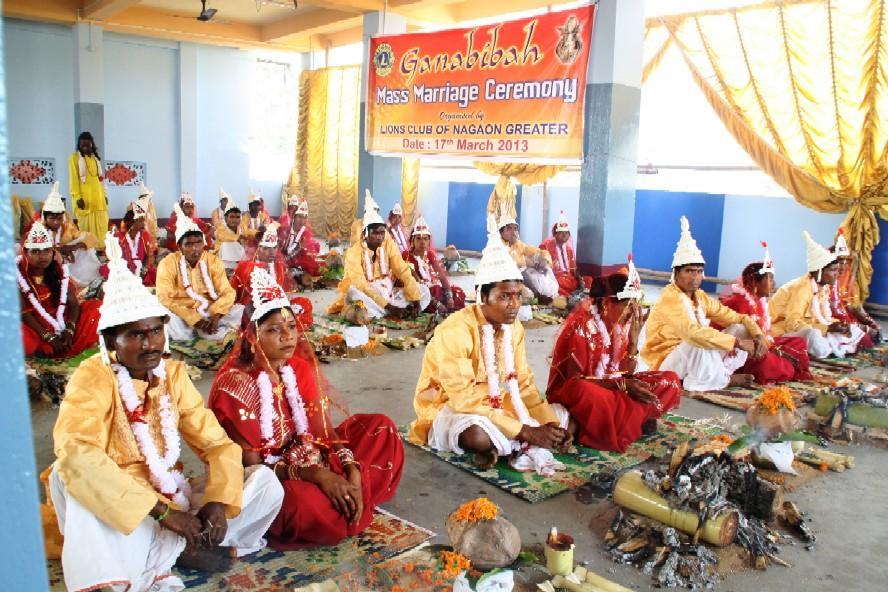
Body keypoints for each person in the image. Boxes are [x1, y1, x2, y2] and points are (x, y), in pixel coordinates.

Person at [48, 241, 283, 591]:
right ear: (111, 342)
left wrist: (218, 502)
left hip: (174, 493)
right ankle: (177, 552)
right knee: (68, 480)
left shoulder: (172, 374)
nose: (150, 344)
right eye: (135, 335)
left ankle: (176, 548)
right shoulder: (92, 376)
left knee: (265, 485)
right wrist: (162, 514)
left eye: (156, 331)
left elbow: (217, 444)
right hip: (123, 508)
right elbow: (76, 452)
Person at [209, 267, 403, 548]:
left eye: (291, 327)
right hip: (276, 478)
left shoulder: (298, 368)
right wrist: (317, 475)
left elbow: (324, 431)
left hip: (312, 452)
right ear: (252, 335)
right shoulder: (234, 386)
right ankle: (345, 501)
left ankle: (351, 494)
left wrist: (352, 469)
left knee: (381, 428)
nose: (287, 336)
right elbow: (253, 471)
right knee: (303, 507)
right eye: (274, 329)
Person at [409, 215, 572, 473]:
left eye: (518, 296)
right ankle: (499, 443)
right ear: (483, 296)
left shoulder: (513, 327)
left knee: (561, 418)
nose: (514, 305)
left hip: (497, 400)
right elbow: (463, 399)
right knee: (477, 435)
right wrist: (526, 431)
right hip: (449, 404)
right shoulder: (455, 330)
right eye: (504, 297)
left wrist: (548, 425)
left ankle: (505, 443)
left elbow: (524, 383)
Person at [547, 263, 681, 452]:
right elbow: (573, 383)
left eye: (635, 305)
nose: (633, 312)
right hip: (586, 392)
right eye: (627, 305)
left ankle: (620, 420)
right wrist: (623, 386)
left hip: (614, 390)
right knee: (584, 390)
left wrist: (633, 343)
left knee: (670, 381)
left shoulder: (619, 328)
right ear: (605, 303)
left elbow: (626, 374)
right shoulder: (581, 327)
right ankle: (631, 418)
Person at [641, 217, 767, 392]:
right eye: (689, 271)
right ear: (676, 273)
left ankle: (719, 373)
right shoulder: (669, 298)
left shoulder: (700, 296)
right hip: (666, 362)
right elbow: (693, 334)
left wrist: (758, 335)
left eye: (699, 271)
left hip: (692, 355)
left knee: (739, 327)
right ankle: (722, 378)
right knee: (700, 340)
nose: (695, 277)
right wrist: (737, 343)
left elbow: (738, 317)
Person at [717, 244, 812, 384]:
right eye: (770, 279)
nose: (774, 283)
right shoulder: (740, 302)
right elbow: (745, 338)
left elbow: (763, 334)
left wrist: (773, 348)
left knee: (797, 344)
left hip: (758, 344)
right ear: (756, 282)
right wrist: (773, 350)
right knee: (780, 366)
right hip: (733, 349)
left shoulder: (759, 301)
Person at [328, 191, 430, 319]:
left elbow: (402, 269)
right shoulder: (354, 252)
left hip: (388, 293)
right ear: (365, 233)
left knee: (424, 291)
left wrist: (415, 301)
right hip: (370, 296)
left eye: (382, 233)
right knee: (353, 293)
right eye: (375, 233)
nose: (380, 237)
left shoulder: (388, 244)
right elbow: (361, 285)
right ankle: (387, 311)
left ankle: (384, 312)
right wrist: (389, 307)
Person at [769, 231, 866, 358]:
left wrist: (838, 325)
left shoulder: (823, 287)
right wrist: (828, 329)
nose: (837, 274)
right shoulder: (802, 289)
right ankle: (835, 348)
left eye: (837, 269)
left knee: (852, 328)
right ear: (819, 271)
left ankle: (833, 348)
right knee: (813, 335)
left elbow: (822, 317)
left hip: (812, 327)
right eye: (833, 270)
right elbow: (792, 324)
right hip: (780, 330)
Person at [156, 205, 244, 341]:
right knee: (167, 319)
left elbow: (228, 292)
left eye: (198, 243)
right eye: (189, 244)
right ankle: (209, 333)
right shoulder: (168, 263)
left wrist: (216, 314)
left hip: (211, 309)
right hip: (183, 313)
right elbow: (164, 298)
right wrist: (194, 319)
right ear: (180, 247)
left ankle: (212, 329)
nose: (195, 249)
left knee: (241, 311)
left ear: (204, 244)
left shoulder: (212, 261)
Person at [18, 222, 101, 358]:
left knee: (98, 309)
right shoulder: (18, 276)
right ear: (25, 253)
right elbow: (24, 313)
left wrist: (70, 329)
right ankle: (46, 350)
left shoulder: (59, 271)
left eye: (47, 250)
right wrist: (48, 336)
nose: (42, 256)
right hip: (34, 326)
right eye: (35, 251)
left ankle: (68, 342)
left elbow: (74, 305)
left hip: (63, 319)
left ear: (52, 251)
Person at [28, 181, 102, 286]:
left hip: (68, 261)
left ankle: (84, 276)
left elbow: (92, 238)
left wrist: (73, 247)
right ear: (45, 217)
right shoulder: (38, 229)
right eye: (52, 218)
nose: (56, 222)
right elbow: (35, 251)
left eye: (59, 218)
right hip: (47, 263)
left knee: (86, 246)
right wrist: (58, 251)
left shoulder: (67, 226)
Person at [403, 214, 465, 313]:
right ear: (412, 241)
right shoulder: (406, 256)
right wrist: (436, 303)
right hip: (417, 291)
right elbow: (417, 283)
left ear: (429, 242)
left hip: (431, 288)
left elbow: (442, 277)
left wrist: (449, 297)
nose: (422, 242)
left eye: (425, 239)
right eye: (418, 238)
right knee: (430, 299)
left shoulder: (430, 255)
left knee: (457, 293)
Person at [829, 230, 880, 346]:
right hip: (827, 321)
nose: (843, 267)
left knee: (869, 337)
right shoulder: (826, 278)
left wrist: (870, 323)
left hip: (842, 317)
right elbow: (833, 311)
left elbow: (852, 306)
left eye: (846, 262)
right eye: (839, 262)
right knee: (865, 340)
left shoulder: (846, 273)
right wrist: (864, 327)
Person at [499, 214, 559, 303]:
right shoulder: (496, 245)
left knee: (545, 269)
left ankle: (545, 295)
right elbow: (506, 262)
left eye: (515, 229)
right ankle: (538, 296)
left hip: (522, 280)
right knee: (523, 272)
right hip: (505, 279)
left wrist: (544, 261)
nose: (513, 232)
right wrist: (526, 262)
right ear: (501, 232)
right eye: (509, 228)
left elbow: (541, 252)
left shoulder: (518, 245)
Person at [231, 223, 295, 304]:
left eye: (274, 248)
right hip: (253, 306)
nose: (272, 252)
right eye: (266, 248)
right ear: (258, 249)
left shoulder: (278, 266)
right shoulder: (246, 267)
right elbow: (241, 295)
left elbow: (282, 291)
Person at [68, 131, 109, 249]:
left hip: (99, 199)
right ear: (79, 145)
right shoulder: (74, 158)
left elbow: (100, 180)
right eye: (83, 145)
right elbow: (74, 179)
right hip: (85, 201)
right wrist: (77, 197)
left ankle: (100, 250)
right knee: (86, 227)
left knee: (102, 226)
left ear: (92, 144)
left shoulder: (96, 159)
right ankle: (88, 250)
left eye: (88, 145)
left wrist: (104, 195)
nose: (85, 147)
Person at [113, 198, 158, 287]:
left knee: (156, 275)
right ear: (131, 222)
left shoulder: (144, 235)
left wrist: (143, 269)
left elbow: (148, 256)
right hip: (123, 272)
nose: (143, 223)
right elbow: (115, 260)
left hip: (141, 269)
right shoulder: (119, 237)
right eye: (140, 221)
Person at [539, 211, 585, 296]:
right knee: (558, 285)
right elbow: (541, 267)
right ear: (556, 234)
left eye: (567, 233)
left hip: (567, 279)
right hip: (552, 278)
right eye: (561, 233)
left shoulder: (568, 249)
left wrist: (580, 280)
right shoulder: (545, 245)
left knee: (586, 281)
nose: (564, 235)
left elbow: (573, 269)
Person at [278, 198, 321, 280]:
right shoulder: (284, 230)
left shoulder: (305, 233)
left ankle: (296, 272)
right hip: (282, 257)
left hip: (295, 260)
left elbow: (301, 256)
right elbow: (278, 250)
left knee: (312, 267)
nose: (302, 221)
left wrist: (299, 248)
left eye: (304, 218)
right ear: (294, 217)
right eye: (300, 217)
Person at [214, 198, 247, 271]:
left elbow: (249, 232)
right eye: (232, 217)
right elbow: (222, 236)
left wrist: (258, 234)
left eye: (237, 217)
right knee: (229, 243)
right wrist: (238, 238)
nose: (235, 220)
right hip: (222, 262)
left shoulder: (241, 227)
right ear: (226, 218)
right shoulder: (220, 228)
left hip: (239, 262)